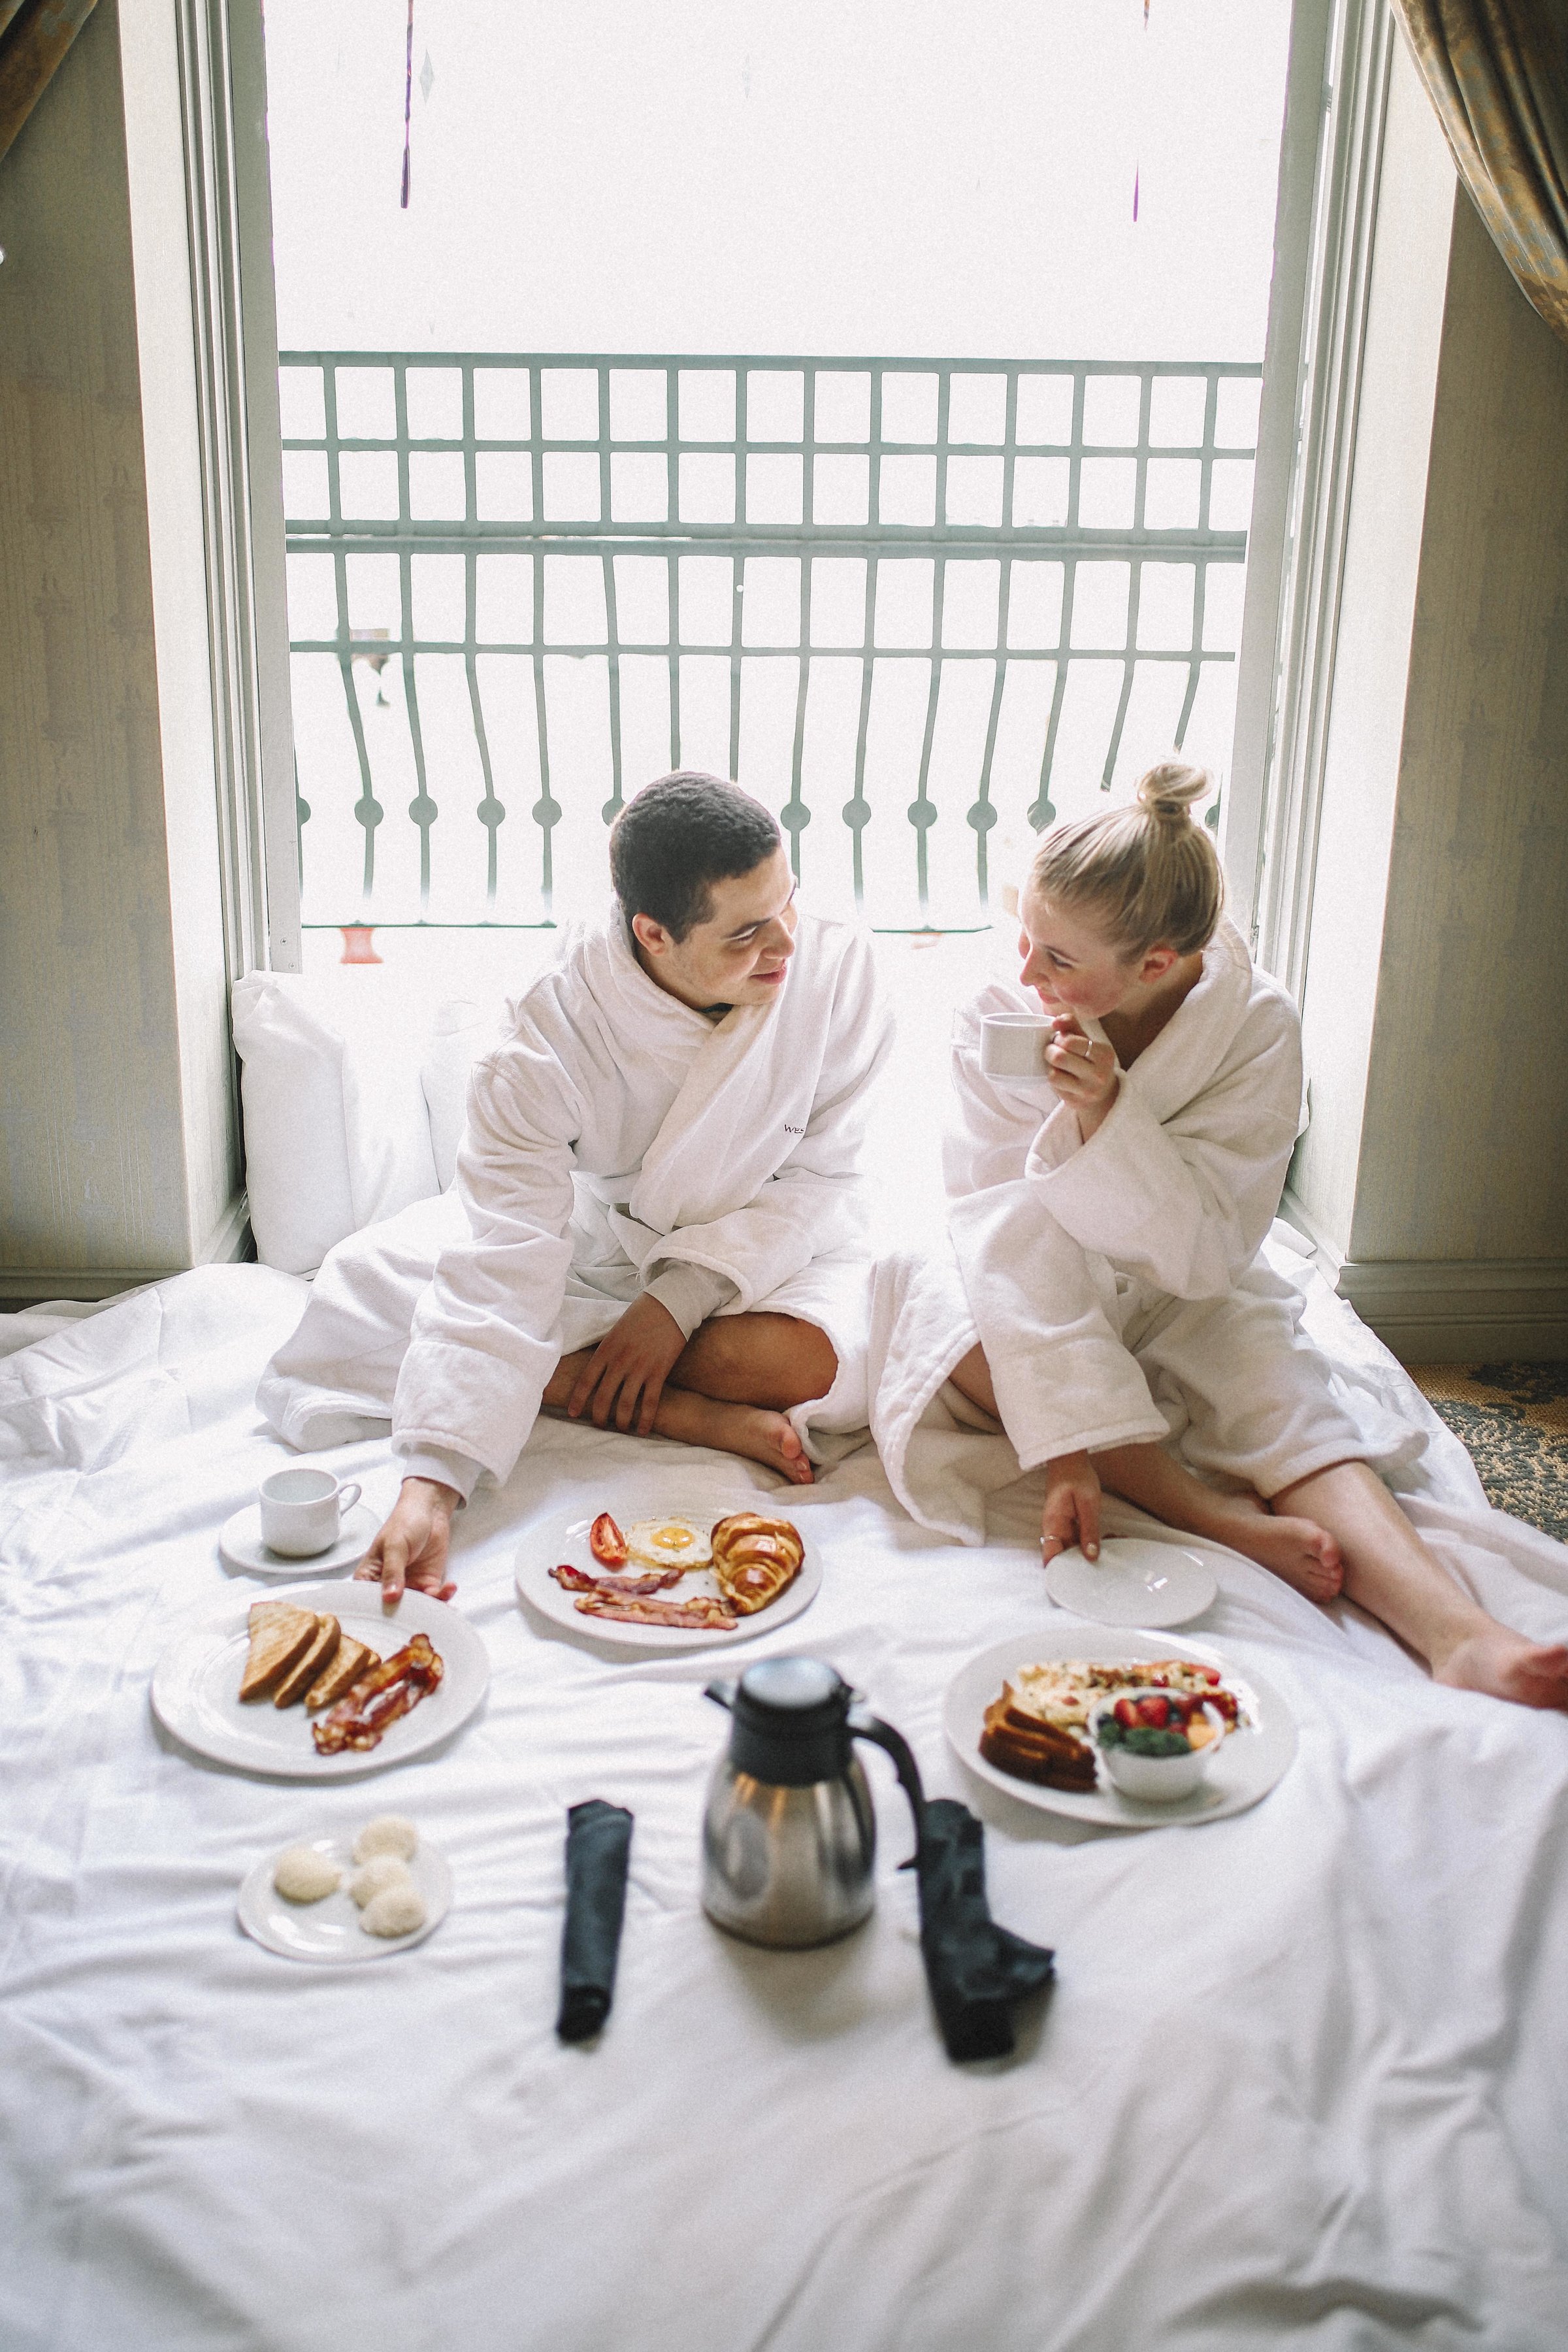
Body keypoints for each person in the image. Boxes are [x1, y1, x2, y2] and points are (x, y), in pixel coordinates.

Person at [881, 760, 1568, 1712]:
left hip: (1185, 1277)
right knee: (943, 1315)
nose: (1026, 972)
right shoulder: (1003, 1012)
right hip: (1030, 1265)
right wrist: (1068, 1449)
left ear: (1155, 965)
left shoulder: (1253, 1028)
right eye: (1026, 938)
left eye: (1059, 959)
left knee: (1278, 1390)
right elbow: (998, 1226)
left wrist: (1109, 1119)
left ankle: (1462, 1637)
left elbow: (1210, 1252)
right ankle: (1206, 1513)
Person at [257, 772, 893, 1601]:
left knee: (826, 1359)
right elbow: (504, 1256)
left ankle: (578, 1377)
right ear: (653, 935)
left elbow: (826, 1177)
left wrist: (675, 1305)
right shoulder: (544, 1039)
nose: (786, 945)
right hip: (608, 1245)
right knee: (360, 1287)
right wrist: (431, 1486)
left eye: (789, 904)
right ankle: (662, 1405)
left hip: (770, 1248)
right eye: (746, 934)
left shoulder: (839, 967)